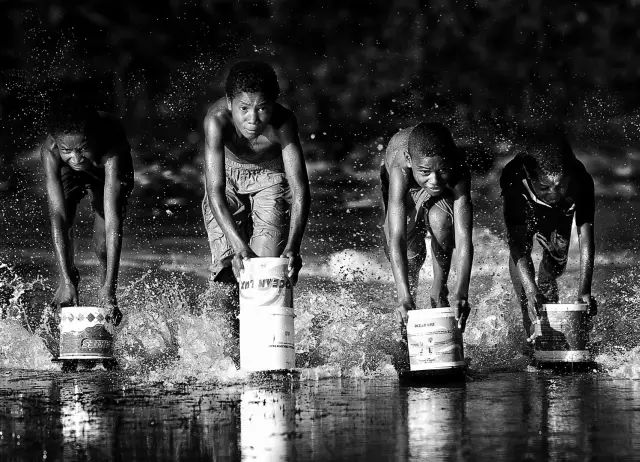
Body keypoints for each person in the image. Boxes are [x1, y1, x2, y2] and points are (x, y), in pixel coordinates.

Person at [202, 61, 310, 357]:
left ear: (274, 104)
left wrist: (294, 246)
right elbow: (214, 191)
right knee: (229, 269)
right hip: (226, 181)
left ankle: (268, 348)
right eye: (244, 109)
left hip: (270, 178)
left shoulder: (284, 123)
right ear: (230, 103)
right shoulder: (216, 120)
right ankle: (234, 349)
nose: (253, 119)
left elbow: (300, 190)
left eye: (262, 108)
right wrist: (238, 247)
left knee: (266, 270)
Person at [41, 100, 133, 326]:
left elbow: (113, 222)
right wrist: (65, 278)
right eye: (67, 151)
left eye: (81, 148)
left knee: (102, 243)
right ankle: (69, 282)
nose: (76, 158)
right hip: (67, 173)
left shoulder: (112, 146)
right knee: (65, 221)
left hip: (104, 167)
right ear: (57, 146)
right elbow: (58, 217)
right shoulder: (51, 152)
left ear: (94, 138)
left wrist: (110, 288)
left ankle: (106, 293)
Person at [500, 132, 597, 345]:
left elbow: (586, 236)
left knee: (557, 259)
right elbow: (518, 244)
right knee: (530, 289)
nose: (553, 194)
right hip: (526, 205)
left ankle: (546, 288)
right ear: (530, 177)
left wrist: (584, 290)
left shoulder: (581, 180)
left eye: (560, 186)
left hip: (562, 210)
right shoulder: (514, 179)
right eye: (545, 187)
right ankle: (529, 320)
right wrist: (530, 289)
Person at [381, 122, 473, 333]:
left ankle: (439, 292)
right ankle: (407, 311)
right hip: (405, 186)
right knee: (411, 256)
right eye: (425, 172)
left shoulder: (458, 169)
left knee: (442, 221)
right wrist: (403, 297)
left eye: (442, 170)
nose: (434, 181)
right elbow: (397, 238)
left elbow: (463, 238)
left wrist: (462, 292)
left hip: (433, 173)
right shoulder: (400, 168)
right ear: (409, 160)